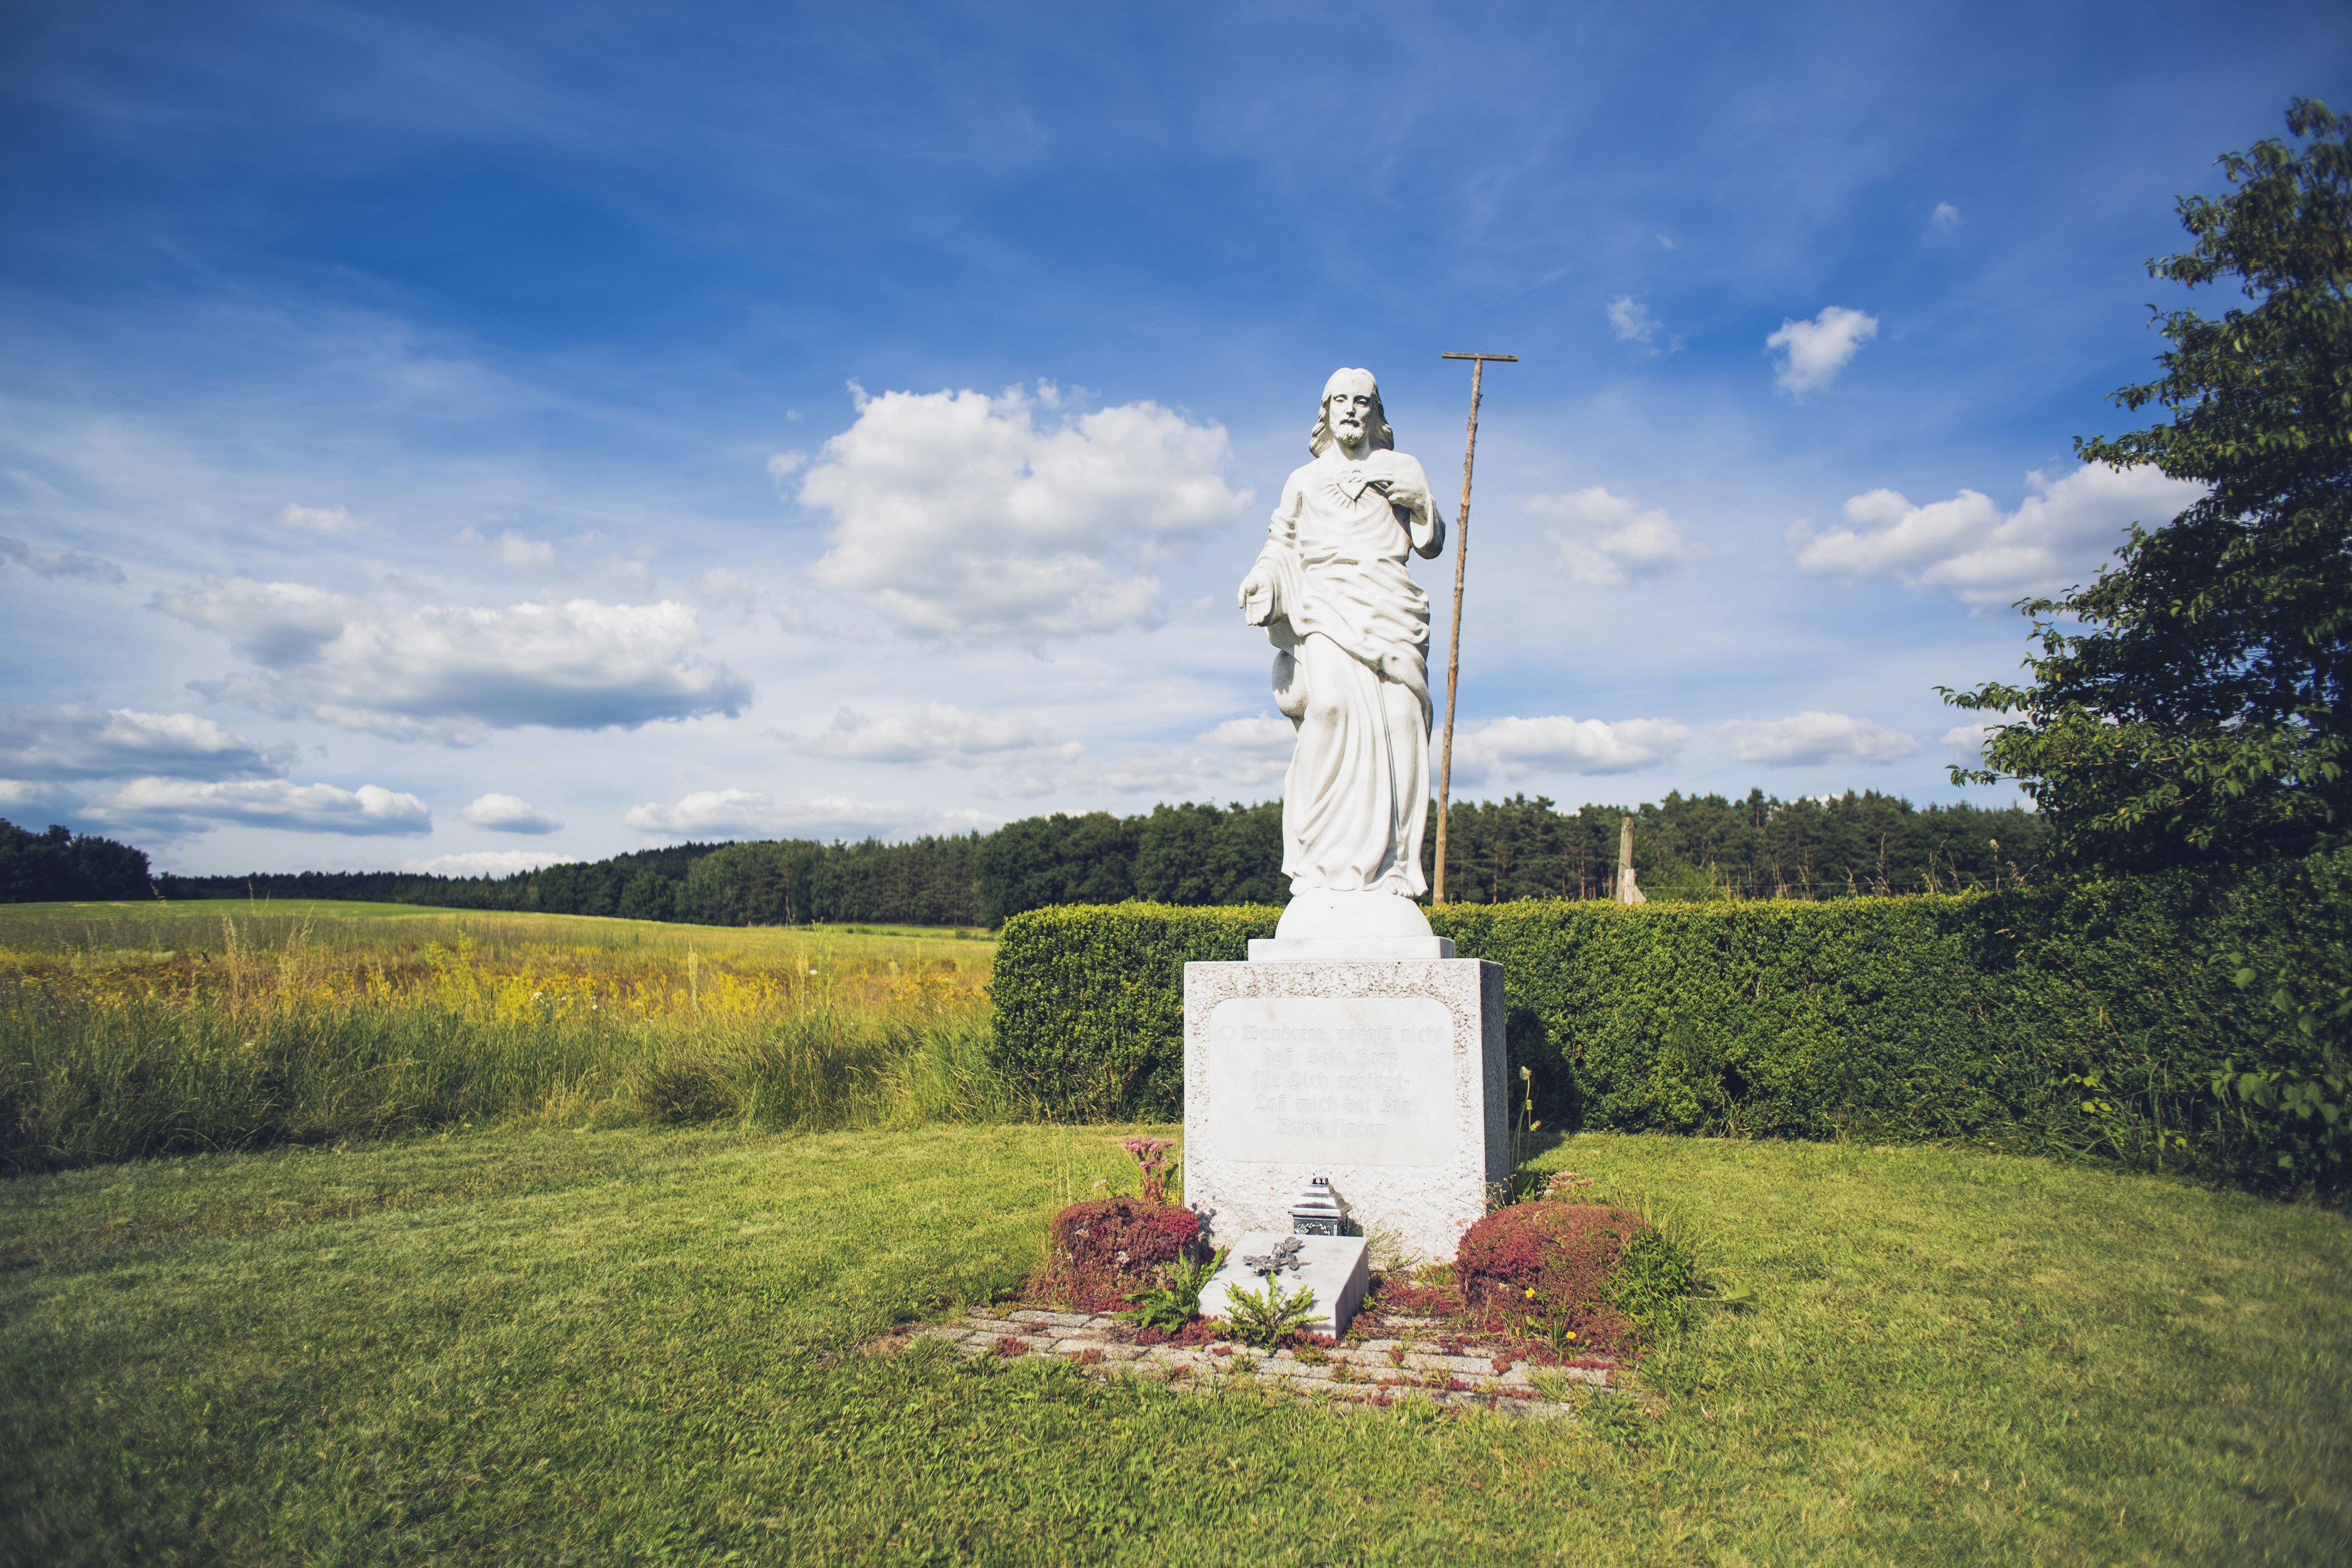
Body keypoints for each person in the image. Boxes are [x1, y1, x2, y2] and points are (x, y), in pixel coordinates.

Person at [1238, 367, 1446, 902]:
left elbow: (1431, 541)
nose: (1351, 409)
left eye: (1362, 401)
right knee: (1327, 709)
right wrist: (1263, 576)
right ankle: (1316, 860)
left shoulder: (1402, 467)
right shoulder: (1302, 480)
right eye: (1340, 401)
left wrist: (1420, 503)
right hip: (1326, 603)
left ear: (1376, 412)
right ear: (1325, 412)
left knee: (1402, 720)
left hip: (1390, 603)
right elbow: (1280, 542)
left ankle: (1396, 866)